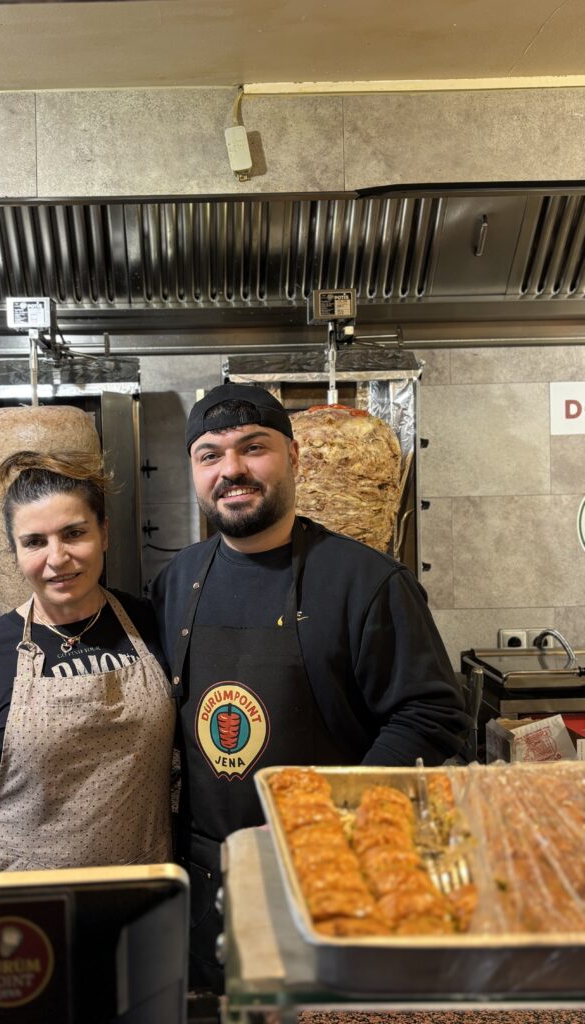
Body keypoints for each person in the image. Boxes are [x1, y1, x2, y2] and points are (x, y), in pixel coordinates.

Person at [150, 382, 471, 990]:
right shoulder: (178, 581)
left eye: (254, 448)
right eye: (210, 454)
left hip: (332, 874)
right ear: (194, 471)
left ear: (294, 459)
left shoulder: (367, 581)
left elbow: (431, 716)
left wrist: (325, 818)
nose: (232, 470)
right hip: (207, 876)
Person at [0, 449, 174, 874]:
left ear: (105, 533)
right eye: (35, 542)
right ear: (15, 551)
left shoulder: (154, 626)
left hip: (142, 897)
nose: (57, 559)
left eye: (74, 533)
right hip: (19, 913)